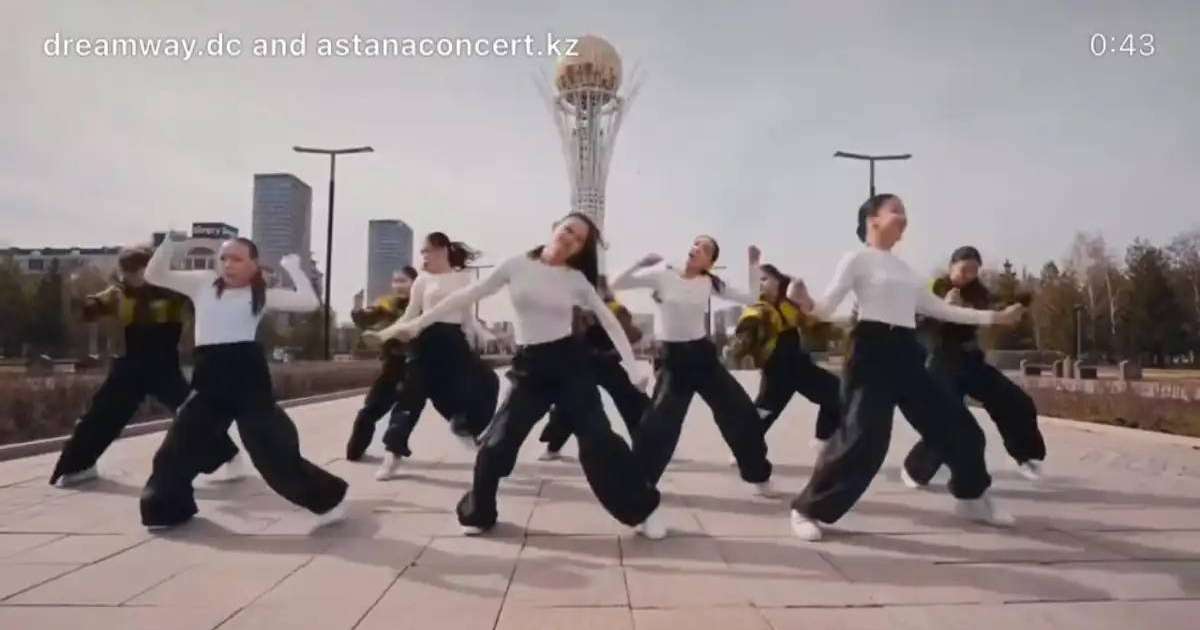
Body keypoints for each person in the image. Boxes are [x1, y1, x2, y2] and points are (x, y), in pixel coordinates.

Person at [368, 213, 664, 538]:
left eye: (578, 239)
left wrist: (634, 369)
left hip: (570, 366)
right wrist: (417, 323)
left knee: (598, 439)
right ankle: (479, 513)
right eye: (567, 230)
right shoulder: (516, 265)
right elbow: (466, 296)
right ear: (555, 228)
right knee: (496, 445)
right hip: (530, 369)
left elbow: (608, 320)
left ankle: (642, 510)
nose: (569, 238)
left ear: (581, 249)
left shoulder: (576, 280)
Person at [786, 194, 1025, 541]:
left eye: (905, 210)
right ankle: (807, 509)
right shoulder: (856, 259)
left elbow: (944, 310)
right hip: (870, 351)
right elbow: (824, 308)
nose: (903, 216)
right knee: (865, 439)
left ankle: (972, 497)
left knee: (958, 426)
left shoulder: (904, 269)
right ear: (873, 219)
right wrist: (805, 301)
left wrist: (995, 318)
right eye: (894, 209)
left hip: (906, 351)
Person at [139, 235, 348, 531]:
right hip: (208, 376)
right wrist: (171, 243)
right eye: (224, 258)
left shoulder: (260, 294)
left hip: (247, 376)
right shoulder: (203, 284)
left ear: (253, 265)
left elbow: (308, 302)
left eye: (236, 259)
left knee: (271, 452)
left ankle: (330, 499)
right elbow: (154, 274)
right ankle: (166, 509)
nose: (228, 264)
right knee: (178, 444)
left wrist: (294, 268)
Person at [49, 245, 238, 487]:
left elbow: (207, 307)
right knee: (101, 414)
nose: (131, 277)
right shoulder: (118, 293)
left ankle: (227, 455)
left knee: (190, 413)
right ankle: (78, 465)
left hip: (163, 366)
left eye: (136, 271)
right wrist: (79, 299)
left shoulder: (174, 294)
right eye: (127, 272)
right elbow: (91, 308)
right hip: (128, 365)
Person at [610, 237, 777, 497]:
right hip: (673, 361)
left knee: (740, 412)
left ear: (710, 263)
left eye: (706, 249)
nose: (697, 249)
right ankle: (637, 490)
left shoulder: (710, 282)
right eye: (696, 244)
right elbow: (615, 283)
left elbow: (752, 297)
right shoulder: (662, 274)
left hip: (703, 357)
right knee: (660, 426)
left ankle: (758, 474)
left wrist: (753, 265)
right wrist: (640, 262)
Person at [901, 245, 1046, 487]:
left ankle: (1027, 456)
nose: (968, 275)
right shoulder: (932, 288)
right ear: (951, 267)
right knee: (949, 419)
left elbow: (994, 310)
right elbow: (914, 320)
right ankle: (916, 469)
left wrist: (1016, 307)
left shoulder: (979, 292)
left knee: (1015, 401)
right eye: (964, 270)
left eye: (974, 271)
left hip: (971, 360)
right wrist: (942, 307)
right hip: (940, 363)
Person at [371, 232, 501, 481]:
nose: (423, 256)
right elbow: (411, 314)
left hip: (453, 342)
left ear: (442, 250)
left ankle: (465, 428)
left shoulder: (463, 278)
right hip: (425, 342)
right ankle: (392, 456)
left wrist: (482, 334)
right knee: (409, 398)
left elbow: (466, 316)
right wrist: (389, 332)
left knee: (487, 381)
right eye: (422, 252)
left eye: (426, 250)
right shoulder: (422, 280)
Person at [732, 248, 841, 445]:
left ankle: (823, 440)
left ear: (778, 279)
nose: (761, 283)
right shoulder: (758, 307)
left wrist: (803, 295)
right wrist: (753, 264)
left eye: (766, 278)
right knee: (764, 411)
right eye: (759, 280)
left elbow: (815, 320)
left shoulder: (791, 302)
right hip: (776, 369)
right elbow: (746, 332)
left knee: (837, 394)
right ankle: (743, 448)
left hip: (800, 365)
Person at [536, 280, 649, 461]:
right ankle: (553, 447)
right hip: (581, 362)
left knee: (631, 400)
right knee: (568, 405)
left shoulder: (616, 309)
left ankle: (645, 444)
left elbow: (634, 334)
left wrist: (615, 347)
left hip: (607, 362)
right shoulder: (574, 309)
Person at [345, 266, 428, 473]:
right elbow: (366, 318)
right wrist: (358, 310)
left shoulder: (426, 305)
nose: (399, 285)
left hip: (417, 367)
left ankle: (392, 455)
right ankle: (355, 451)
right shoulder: (386, 304)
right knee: (370, 410)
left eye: (404, 281)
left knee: (403, 415)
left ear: (415, 283)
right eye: (395, 281)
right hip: (392, 366)